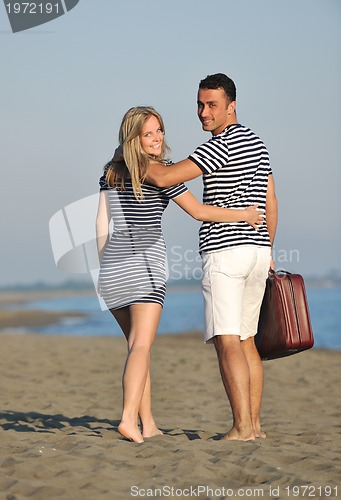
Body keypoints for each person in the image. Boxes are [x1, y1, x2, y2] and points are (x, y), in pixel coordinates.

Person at [96, 105, 265, 443]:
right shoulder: (161, 171)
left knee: (135, 349)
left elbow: (102, 224)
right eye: (148, 134)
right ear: (135, 139)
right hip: (145, 264)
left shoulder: (111, 171)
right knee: (141, 346)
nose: (157, 138)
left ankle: (149, 422)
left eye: (159, 131)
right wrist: (242, 214)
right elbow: (199, 211)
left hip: (111, 266)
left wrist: (105, 267)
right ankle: (129, 419)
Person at [147, 74, 278, 441]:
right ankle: (254, 426)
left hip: (226, 252)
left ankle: (241, 427)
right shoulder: (259, 143)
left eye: (212, 105)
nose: (204, 112)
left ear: (231, 106)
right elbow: (270, 200)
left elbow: (168, 177)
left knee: (227, 340)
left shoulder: (217, 146)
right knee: (248, 340)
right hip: (256, 251)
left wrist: (144, 162)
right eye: (200, 104)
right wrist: (268, 248)